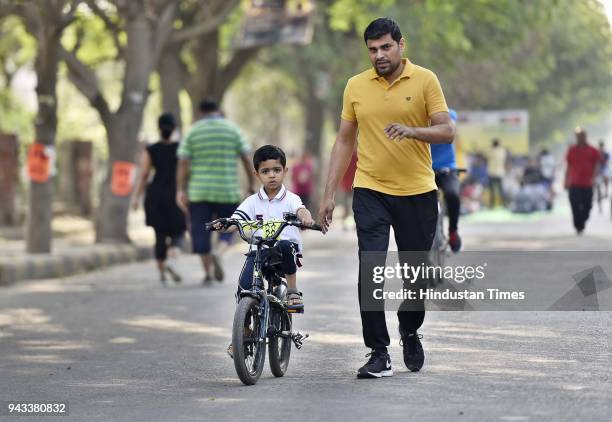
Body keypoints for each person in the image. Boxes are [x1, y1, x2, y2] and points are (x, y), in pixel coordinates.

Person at [319, 18, 454, 378]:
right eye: (373, 50)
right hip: (370, 190)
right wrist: (329, 193)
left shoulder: (425, 79)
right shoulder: (356, 86)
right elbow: (345, 140)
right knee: (370, 270)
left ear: (400, 44)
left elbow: (447, 130)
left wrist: (413, 131)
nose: (379, 55)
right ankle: (378, 351)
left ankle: (409, 330)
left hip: (417, 192)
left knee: (415, 276)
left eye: (385, 47)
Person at [218, 145, 315, 309]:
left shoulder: (291, 198)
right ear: (257, 174)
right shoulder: (252, 201)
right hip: (260, 251)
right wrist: (224, 225)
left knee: (285, 245)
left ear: (285, 171)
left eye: (277, 170)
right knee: (244, 285)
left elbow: (301, 210)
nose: (272, 175)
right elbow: (236, 219)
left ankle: (292, 290)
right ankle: (245, 327)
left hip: (285, 251)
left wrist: (306, 217)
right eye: (265, 171)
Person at [176, 99, 256, 284]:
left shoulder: (193, 132)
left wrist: (180, 189)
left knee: (201, 233)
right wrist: (251, 183)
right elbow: (246, 156)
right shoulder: (232, 129)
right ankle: (219, 251)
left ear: (200, 112)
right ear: (218, 110)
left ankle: (208, 273)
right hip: (227, 190)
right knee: (230, 224)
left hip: (199, 192)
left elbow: (182, 162)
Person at [132, 113, 186, 284]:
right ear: (174, 128)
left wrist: (136, 197)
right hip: (176, 194)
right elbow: (186, 170)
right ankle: (173, 258)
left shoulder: (151, 149)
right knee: (178, 232)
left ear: (159, 128)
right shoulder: (182, 149)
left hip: (155, 195)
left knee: (160, 235)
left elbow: (145, 174)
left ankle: (162, 272)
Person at [431, 108, 461, 252]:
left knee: (453, 194)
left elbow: (450, 131)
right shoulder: (414, 115)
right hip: (423, 170)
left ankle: (453, 231)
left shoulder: (449, 114)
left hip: (447, 168)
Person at [565, 128, 600, 234]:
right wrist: (566, 180)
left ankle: (583, 220)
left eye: (582, 135)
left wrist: (594, 178)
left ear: (585, 136)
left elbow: (597, 166)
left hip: (587, 183)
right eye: (578, 136)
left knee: (588, 205)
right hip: (574, 183)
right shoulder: (572, 150)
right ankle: (578, 226)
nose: (580, 138)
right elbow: (568, 166)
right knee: (574, 204)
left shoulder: (593, 150)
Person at [338, 150, 358, 230]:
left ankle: (347, 224)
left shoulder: (349, 157)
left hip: (353, 184)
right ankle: (346, 224)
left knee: (349, 205)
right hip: (353, 184)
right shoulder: (355, 156)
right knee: (351, 205)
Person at [487, 138, 507, 208]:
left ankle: (491, 205)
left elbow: (487, 157)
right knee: (501, 190)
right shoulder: (502, 151)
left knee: (492, 190)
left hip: (492, 173)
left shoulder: (490, 150)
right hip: (500, 173)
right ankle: (504, 204)